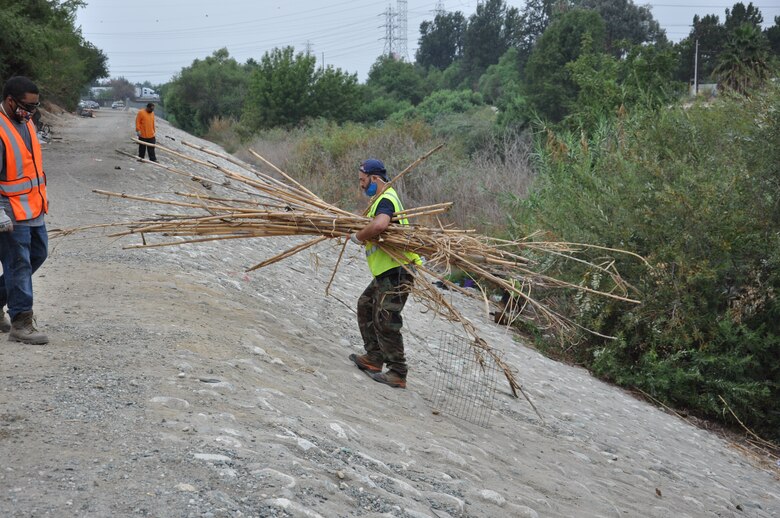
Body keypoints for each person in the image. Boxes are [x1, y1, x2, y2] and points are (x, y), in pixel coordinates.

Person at [348, 159, 421, 389]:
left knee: (386, 319)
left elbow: (380, 225)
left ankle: (398, 372)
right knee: (366, 305)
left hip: (399, 269)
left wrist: (359, 236)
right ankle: (374, 358)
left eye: (363, 180)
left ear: (375, 178)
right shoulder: (380, 199)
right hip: (386, 270)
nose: (361, 185)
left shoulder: (386, 199)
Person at [0, 76, 49, 344]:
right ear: (10, 101)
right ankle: (21, 322)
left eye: (35, 107)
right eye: (27, 107)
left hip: (33, 209)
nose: (31, 112)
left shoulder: (26, 123)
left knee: (38, 255)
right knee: (18, 265)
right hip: (10, 214)